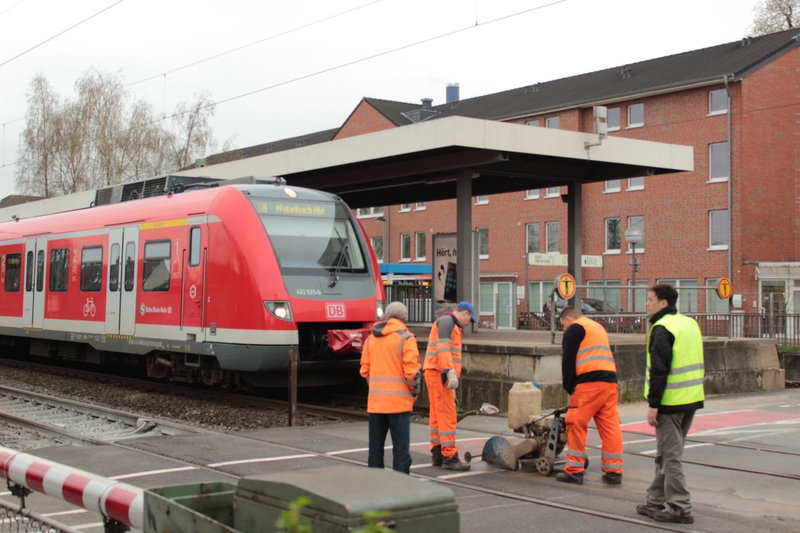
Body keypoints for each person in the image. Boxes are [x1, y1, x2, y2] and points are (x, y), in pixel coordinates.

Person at [636, 284, 704, 524]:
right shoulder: (689, 323)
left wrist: (654, 404)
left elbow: (659, 370)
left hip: (670, 402)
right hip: (691, 399)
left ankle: (680, 507)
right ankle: (655, 500)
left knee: (670, 457)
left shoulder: (662, 328)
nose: (647, 303)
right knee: (665, 454)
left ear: (663, 303)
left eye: (650, 299)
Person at [555, 306, 624, 485]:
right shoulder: (597, 327)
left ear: (568, 320)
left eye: (563, 325)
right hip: (609, 383)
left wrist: (569, 386)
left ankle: (574, 470)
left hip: (588, 384)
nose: (564, 329)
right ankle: (614, 471)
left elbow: (568, 359)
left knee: (575, 422)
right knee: (610, 426)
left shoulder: (575, 329)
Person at [359, 301, 421, 474]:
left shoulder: (372, 338)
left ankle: (375, 480)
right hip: (399, 403)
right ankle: (400, 482)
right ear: (405, 317)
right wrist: (414, 393)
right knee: (401, 449)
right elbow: (412, 373)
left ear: (386, 316)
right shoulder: (406, 338)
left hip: (376, 403)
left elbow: (364, 370)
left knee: (375, 448)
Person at [424, 300, 477, 471]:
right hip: (441, 374)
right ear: (465, 313)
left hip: (434, 372)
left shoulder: (446, 322)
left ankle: (437, 452)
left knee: (436, 414)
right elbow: (444, 348)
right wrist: (449, 371)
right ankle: (450, 456)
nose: (469, 323)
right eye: (470, 319)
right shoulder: (448, 322)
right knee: (447, 415)